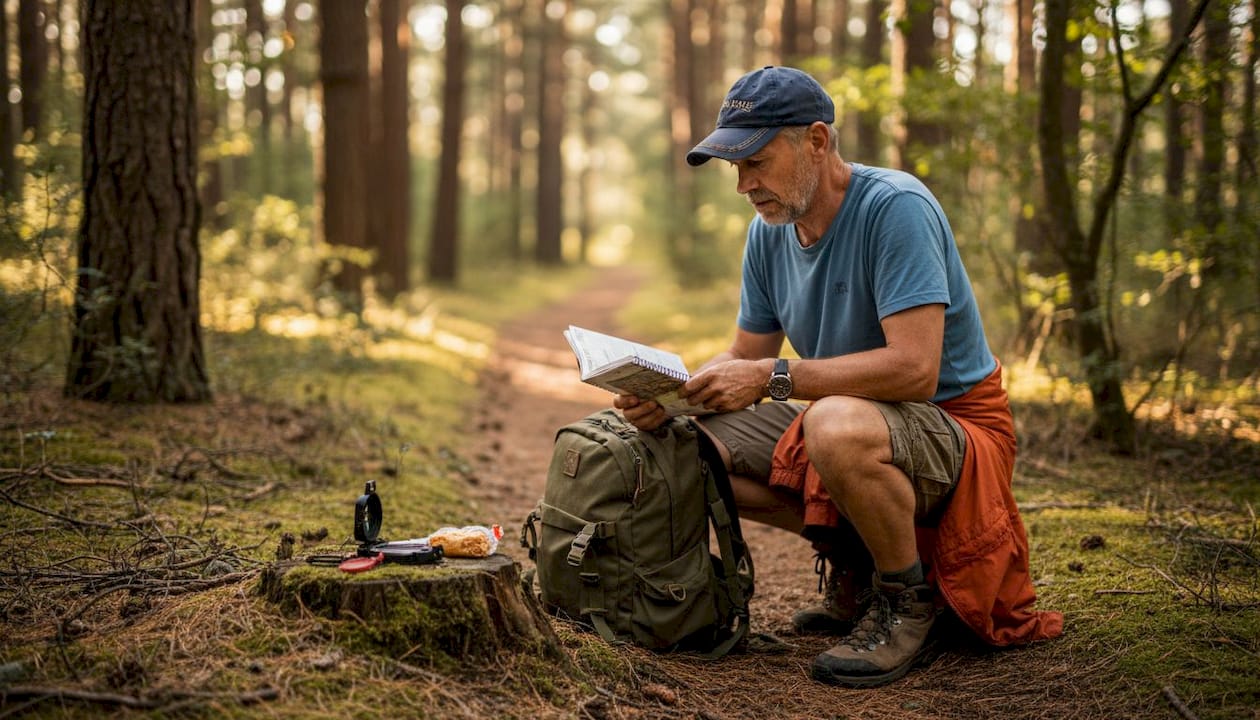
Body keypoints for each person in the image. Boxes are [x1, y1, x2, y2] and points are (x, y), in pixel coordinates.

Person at [614, 66, 1062, 688]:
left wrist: (774, 378)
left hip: (956, 426)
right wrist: (671, 396)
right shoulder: (768, 232)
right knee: (685, 448)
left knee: (834, 425)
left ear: (817, 141)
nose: (744, 185)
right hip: (849, 414)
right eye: (735, 169)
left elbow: (914, 369)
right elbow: (746, 352)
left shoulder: (894, 208)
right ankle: (854, 564)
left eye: (757, 162)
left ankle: (908, 603)